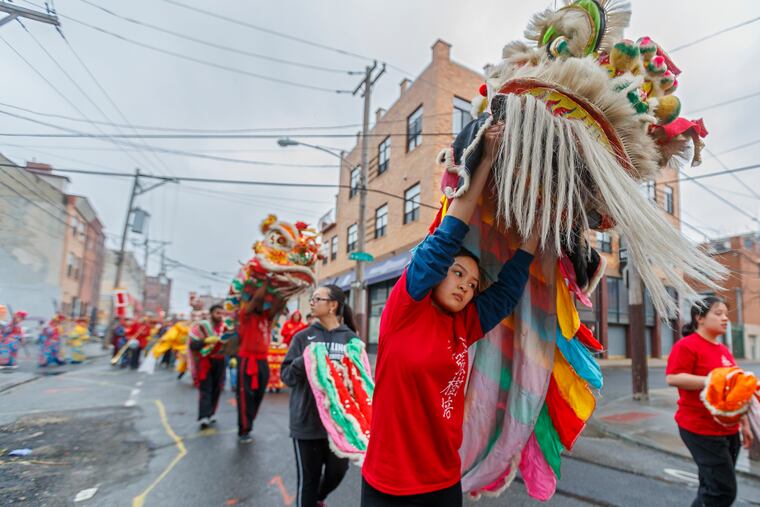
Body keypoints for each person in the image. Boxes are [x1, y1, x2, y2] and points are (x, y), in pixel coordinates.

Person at [360, 123, 538, 507]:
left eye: (473, 284)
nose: (465, 286)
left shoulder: (464, 325)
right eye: (458, 274)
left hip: (443, 483)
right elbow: (447, 237)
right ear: (437, 272)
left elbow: (506, 293)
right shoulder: (405, 310)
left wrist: (534, 234)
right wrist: (486, 159)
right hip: (388, 486)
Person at [666, 297, 754, 507]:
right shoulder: (687, 346)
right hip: (699, 428)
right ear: (700, 318)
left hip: (729, 429)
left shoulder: (724, 351)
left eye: (726, 314)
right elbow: (673, 378)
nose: (725, 318)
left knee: (711, 486)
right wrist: (713, 379)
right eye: (718, 313)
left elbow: (733, 389)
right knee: (722, 491)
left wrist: (744, 424)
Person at [281, 284, 359, 507]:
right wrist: (305, 359)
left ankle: (319, 498)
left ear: (333, 305)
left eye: (317, 299)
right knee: (308, 481)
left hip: (339, 425)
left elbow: (360, 382)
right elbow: (286, 377)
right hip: (307, 424)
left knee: (337, 472)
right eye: (312, 299)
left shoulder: (351, 340)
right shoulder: (302, 338)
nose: (312, 303)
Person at [235, 283, 284, 443]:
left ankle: (249, 423)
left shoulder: (266, 318)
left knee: (258, 395)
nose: (262, 304)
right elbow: (256, 299)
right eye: (260, 302)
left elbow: (278, 304)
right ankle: (243, 430)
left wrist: (284, 289)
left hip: (262, 360)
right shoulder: (245, 315)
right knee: (245, 396)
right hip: (247, 360)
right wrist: (266, 281)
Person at [189, 304, 229, 430]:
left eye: (222, 313)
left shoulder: (225, 328)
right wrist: (205, 341)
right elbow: (193, 345)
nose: (220, 316)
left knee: (217, 388)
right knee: (206, 389)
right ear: (211, 313)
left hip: (220, 361)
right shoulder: (202, 326)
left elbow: (231, 343)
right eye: (218, 313)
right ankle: (204, 416)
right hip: (205, 361)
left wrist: (233, 357)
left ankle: (211, 413)